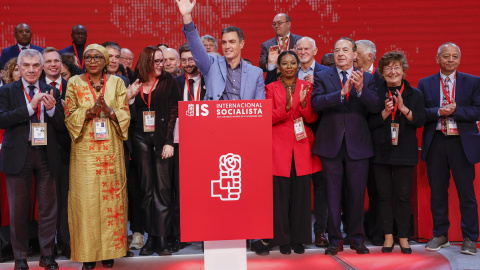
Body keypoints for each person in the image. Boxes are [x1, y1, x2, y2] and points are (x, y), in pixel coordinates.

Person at [64, 44, 135, 269]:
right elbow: (68, 113)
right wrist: (89, 112)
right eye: (88, 57)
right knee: (86, 202)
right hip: (84, 151)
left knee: (111, 201)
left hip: (111, 151)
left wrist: (111, 111)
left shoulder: (116, 82)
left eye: (98, 57)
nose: (93, 61)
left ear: (105, 61)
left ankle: (109, 251)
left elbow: (125, 111)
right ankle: (87, 254)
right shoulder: (74, 82)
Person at [311, 37, 380, 255]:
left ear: (354, 55)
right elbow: (316, 103)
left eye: (345, 50)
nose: (341, 54)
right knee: (332, 195)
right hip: (330, 144)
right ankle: (335, 239)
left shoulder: (367, 79)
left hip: (358, 145)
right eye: (337, 50)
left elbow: (376, 106)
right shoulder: (322, 76)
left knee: (357, 194)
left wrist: (360, 90)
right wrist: (339, 94)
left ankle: (357, 238)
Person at [0, 49, 64, 270]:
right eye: (26, 65)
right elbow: (2, 119)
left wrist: (53, 109)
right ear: (18, 67)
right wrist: (31, 107)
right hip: (19, 154)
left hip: (46, 153)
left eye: (36, 66)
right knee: (18, 209)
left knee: (48, 208)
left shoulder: (52, 90)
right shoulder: (7, 91)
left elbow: (63, 125)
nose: (31, 70)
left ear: (42, 67)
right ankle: (20, 257)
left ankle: (47, 255)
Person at [419, 42, 480, 256]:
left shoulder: (473, 82)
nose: (450, 60)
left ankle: (470, 238)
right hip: (436, 141)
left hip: (461, 143)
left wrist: (457, 110)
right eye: (446, 56)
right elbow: (421, 113)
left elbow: (477, 110)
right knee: (437, 193)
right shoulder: (425, 84)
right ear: (438, 59)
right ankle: (440, 234)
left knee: (466, 193)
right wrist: (437, 111)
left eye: (454, 56)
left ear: (460, 60)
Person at [369, 51, 426, 254]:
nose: (392, 71)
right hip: (380, 152)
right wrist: (385, 112)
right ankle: (388, 236)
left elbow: (420, 120)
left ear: (403, 71)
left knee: (402, 196)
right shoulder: (375, 92)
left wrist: (403, 109)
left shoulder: (415, 94)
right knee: (383, 195)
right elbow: (369, 123)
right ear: (382, 73)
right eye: (388, 68)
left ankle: (403, 237)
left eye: (397, 68)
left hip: (405, 151)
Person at [265, 50, 320, 255]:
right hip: (278, 145)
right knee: (279, 195)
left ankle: (300, 239)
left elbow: (312, 118)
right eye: (285, 63)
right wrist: (286, 107)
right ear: (278, 67)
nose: (289, 66)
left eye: (293, 63)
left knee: (301, 195)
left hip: (302, 144)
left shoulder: (308, 86)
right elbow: (268, 117)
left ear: (299, 66)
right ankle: (282, 239)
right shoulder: (270, 88)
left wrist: (304, 105)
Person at [129, 45, 179, 256]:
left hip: (161, 139)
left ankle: (162, 238)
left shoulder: (169, 81)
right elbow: (128, 114)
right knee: (146, 190)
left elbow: (174, 112)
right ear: (146, 62)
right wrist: (130, 97)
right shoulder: (135, 81)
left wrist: (169, 141)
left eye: (162, 61)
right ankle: (150, 238)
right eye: (157, 61)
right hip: (139, 138)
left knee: (163, 191)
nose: (161, 64)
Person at [177, 0, 265, 101]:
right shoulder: (211, 65)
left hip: (244, 116)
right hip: (215, 116)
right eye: (224, 42)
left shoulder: (256, 73)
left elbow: (261, 107)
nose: (227, 46)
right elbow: (197, 49)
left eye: (232, 42)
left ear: (241, 44)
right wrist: (187, 17)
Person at [41, 47, 72, 258]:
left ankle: (67, 241)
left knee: (66, 199)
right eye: (49, 61)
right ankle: (46, 247)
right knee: (46, 202)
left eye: (56, 61)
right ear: (43, 65)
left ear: (61, 63)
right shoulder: (36, 88)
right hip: (40, 152)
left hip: (67, 151)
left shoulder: (73, 87)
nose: (53, 64)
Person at [355, 39, 384, 246]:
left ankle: (377, 232)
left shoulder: (382, 77)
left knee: (377, 189)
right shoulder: (348, 75)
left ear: (370, 56)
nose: (353, 56)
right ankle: (352, 232)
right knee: (353, 190)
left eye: (356, 53)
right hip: (354, 141)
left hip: (377, 141)